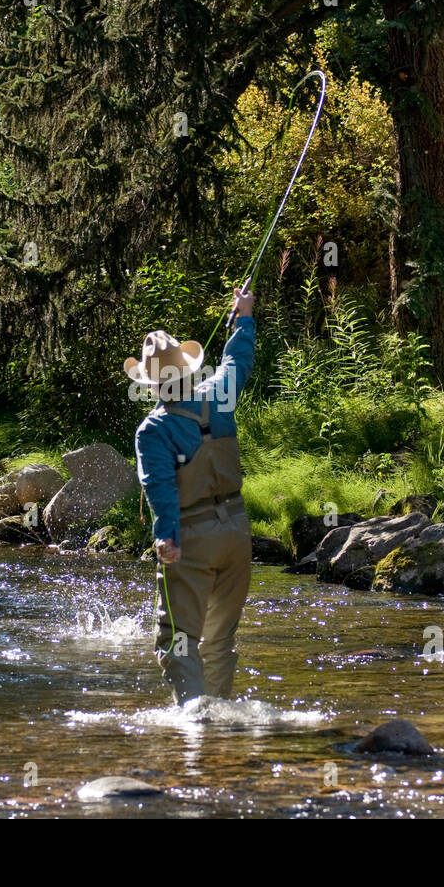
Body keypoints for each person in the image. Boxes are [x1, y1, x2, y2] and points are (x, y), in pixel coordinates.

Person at [126, 286, 255, 705]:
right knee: (219, 641)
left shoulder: (152, 429)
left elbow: (158, 485)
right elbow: (238, 361)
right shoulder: (219, 395)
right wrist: (244, 317)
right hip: (237, 533)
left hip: (192, 539)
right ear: (187, 369)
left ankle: (197, 721)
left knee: (177, 641)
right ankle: (219, 719)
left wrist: (167, 536)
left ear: (150, 384)